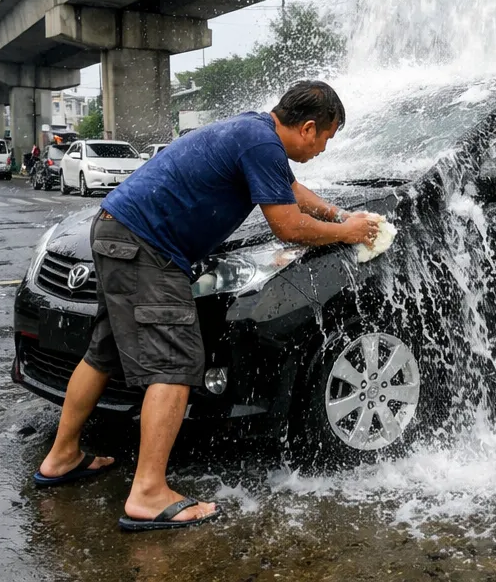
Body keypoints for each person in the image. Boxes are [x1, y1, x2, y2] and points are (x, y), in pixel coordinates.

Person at [34, 80, 379, 531]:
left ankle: (61, 457)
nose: (323, 150)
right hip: (146, 247)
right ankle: (148, 494)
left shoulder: (255, 132)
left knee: (105, 352)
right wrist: (349, 234)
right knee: (176, 363)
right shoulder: (261, 142)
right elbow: (289, 228)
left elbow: (289, 190)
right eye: (326, 139)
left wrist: (338, 215)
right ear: (309, 128)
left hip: (118, 231)